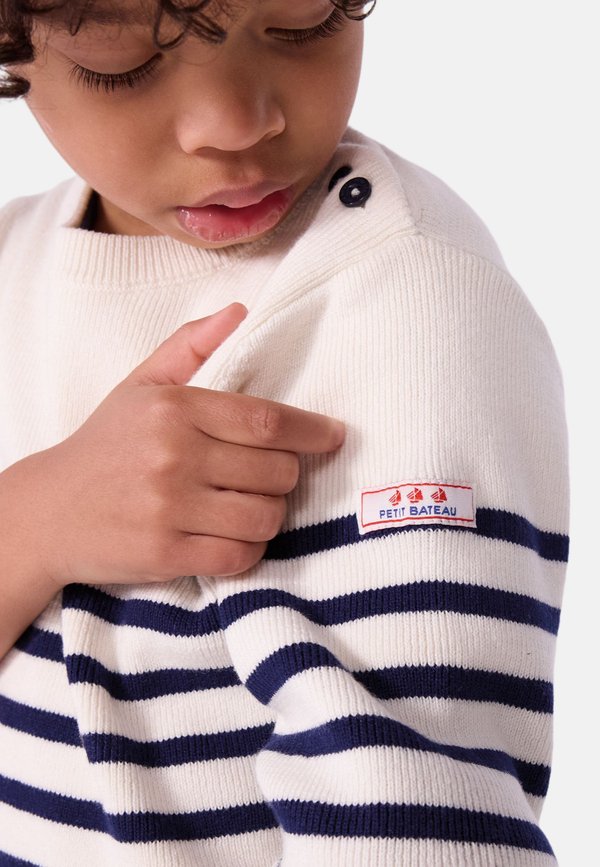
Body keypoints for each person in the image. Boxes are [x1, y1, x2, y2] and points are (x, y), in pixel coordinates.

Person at [0, 0, 569, 864]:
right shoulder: (14, 256)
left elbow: (413, 807)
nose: (235, 124)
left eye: (305, 22)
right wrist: (37, 520)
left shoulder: (405, 301)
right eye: (122, 63)